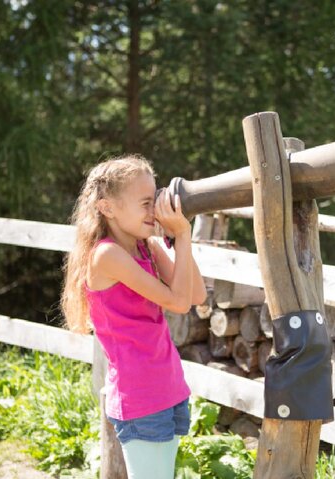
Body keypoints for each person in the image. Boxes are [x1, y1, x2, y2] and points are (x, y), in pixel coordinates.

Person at [60, 154, 207, 478]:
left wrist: (175, 239)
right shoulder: (107, 255)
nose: (153, 210)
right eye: (144, 203)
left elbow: (197, 295)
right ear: (107, 207)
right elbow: (179, 303)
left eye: (153, 201)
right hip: (140, 395)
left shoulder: (147, 248)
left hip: (168, 386)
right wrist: (181, 237)